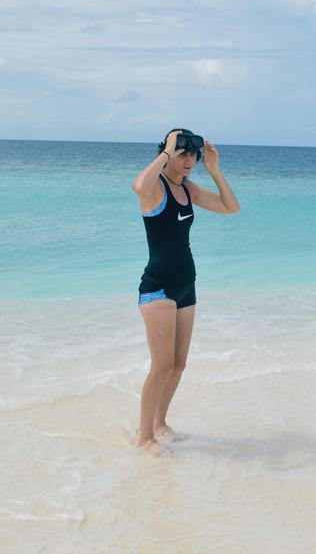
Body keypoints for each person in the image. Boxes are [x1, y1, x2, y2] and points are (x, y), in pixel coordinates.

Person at [131, 128, 241, 455]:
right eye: (182, 154)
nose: (189, 160)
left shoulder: (187, 188)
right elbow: (138, 185)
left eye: (192, 154)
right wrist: (166, 152)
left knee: (178, 365)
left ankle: (159, 424)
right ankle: (143, 438)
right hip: (158, 289)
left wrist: (216, 171)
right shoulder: (155, 190)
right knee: (160, 367)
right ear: (167, 154)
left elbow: (230, 207)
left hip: (186, 286)